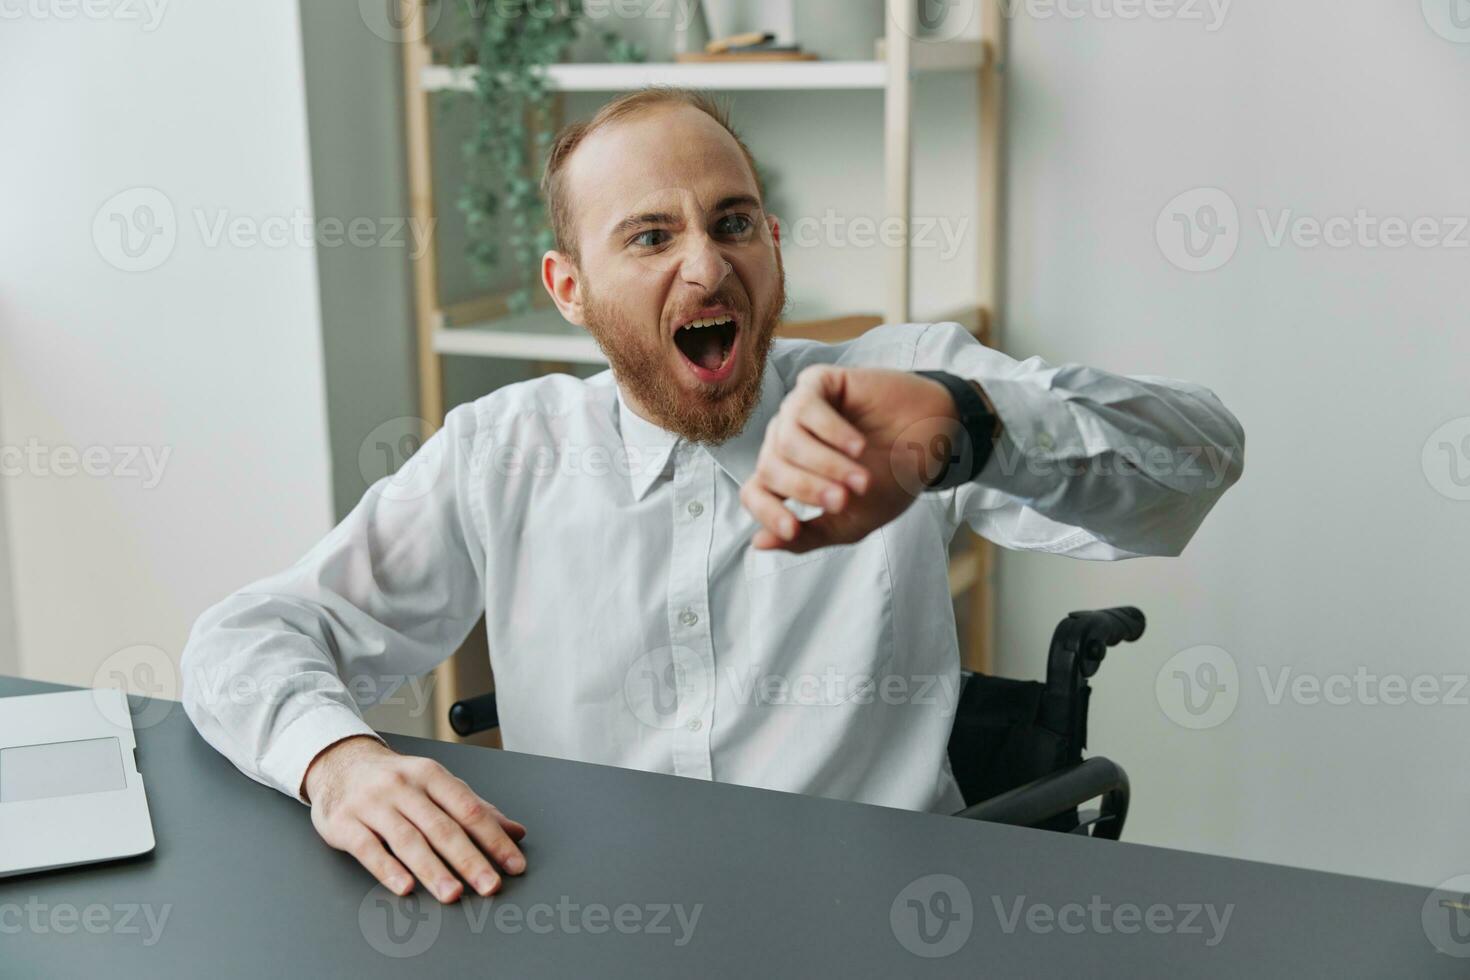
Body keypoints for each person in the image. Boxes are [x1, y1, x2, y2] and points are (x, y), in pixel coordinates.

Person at [181, 88, 1244, 905]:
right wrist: (335, 759)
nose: (707, 266)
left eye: (734, 222)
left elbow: (1201, 460)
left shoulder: (895, 392)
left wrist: (971, 426)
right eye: (650, 236)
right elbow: (246, 636)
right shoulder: (504, 451)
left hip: (883, 923)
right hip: (595, 926)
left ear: (771, 249)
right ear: (570, 288)